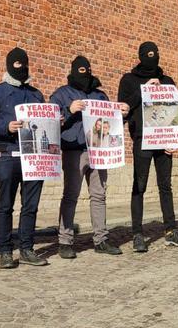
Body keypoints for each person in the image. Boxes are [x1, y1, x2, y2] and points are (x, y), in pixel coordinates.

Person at [50, 55, 129, 259]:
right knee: (71, 195)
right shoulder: (61, 94)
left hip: (99, 151)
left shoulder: (100, 95)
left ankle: (101, 239)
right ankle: (65, 241)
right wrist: (69, 110)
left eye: (87, 70)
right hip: (74, 151)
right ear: (73, 71)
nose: (85, 73)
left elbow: (111, 124)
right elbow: (50, 122)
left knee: (99, 194)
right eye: (81, 70)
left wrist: (123, 114)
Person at [118, 41, 178, 252]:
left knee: (165, 186)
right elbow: (122, 109)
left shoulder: (167, 81)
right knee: (139, 185)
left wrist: (174, 140)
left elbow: (174, 112)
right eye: (149, 54)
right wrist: (144, 90)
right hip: (142, 139)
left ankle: (171, 230)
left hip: (164, 140)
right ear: (141, 56)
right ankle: (137, 234)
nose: (153, 58)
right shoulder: (129, 80)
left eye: (155, 54)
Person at [0, 47, 48, 268]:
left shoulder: (36, 94)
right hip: (8, 154)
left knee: (31, 205)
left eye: (24, 63)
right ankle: (5, 251)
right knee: (5, 205)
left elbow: (43, 123)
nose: (21, 67)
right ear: (9, 65)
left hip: (34, 156)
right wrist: (6, 126)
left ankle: (27, 248)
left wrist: (55, 122)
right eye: (17, 63)